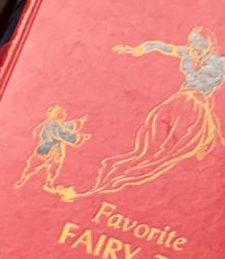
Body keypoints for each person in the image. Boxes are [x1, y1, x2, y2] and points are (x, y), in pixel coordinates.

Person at [87, 29, 225, 196]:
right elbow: (159, 46)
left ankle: (115, 180)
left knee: (168, 152)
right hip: (178, 102)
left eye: (198, 44)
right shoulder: (186, 53)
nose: (193, 48)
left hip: (195, 108)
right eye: (192, 43)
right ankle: (111, 179)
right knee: (151, 149)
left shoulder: (220, 63)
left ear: (208, 45)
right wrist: (136, 50)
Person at [14, 104, 88, 194]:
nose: (64, 113)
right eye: (62, 112)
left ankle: (47, 183)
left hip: (53, 150)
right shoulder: (53, 125)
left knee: (50, 168)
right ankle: (23, 179)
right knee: (35, 165)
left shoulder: (56, 124)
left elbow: (66, 127)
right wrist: (80, 137)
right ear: (57, 114)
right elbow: (64, 134)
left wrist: (79, 122)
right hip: (47, 149)